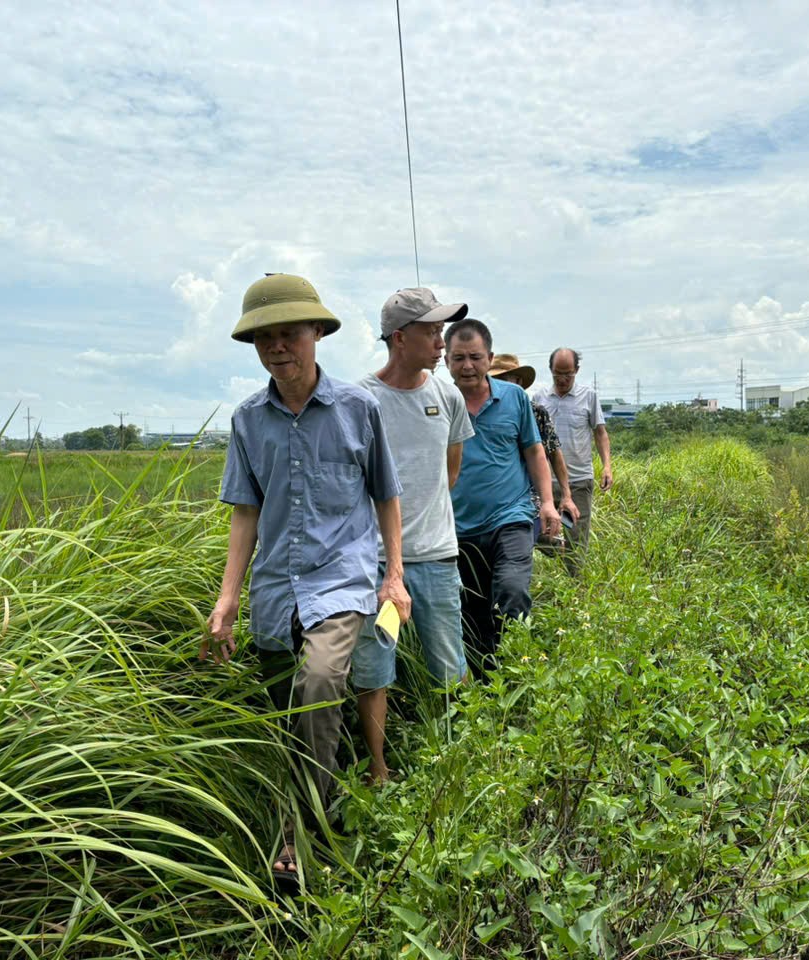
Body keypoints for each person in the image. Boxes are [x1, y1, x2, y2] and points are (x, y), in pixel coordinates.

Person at [202, 273, 411, 889]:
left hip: (343, 578)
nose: (277, 348)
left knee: (319, 681)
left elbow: (386, 495)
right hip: (275, 589)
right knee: (290, 710)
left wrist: (393, 576)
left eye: (289, 333)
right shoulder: (248, 421)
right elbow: (245, 511)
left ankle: (300, 833)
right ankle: (330, 776)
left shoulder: (357, 408)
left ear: (317, 333)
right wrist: (227, 598)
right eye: (264, 338)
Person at [351, 287, 473, 783]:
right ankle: (379, 770)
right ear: (400, 339)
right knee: (374, 668)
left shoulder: (446, 395)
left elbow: (451, 465)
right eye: (431, 331)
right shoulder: (361, 400)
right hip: (376, 565)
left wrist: (423, 514)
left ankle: (459, 754)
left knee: (450, 663)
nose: (441, 341)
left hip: (438, 557)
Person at [445, 319, 559, 677]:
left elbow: (535, 452)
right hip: (457, 526)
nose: (467, 366)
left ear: (489, 358)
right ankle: (485, 681)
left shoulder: (514, 399)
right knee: (472, 609)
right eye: (458, 357)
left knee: (510, 591)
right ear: (445, 360)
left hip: (510, 517)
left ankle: (518, 670)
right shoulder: (437, 402)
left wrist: (548, 501)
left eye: (475, 357)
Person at [531, 348, 613, 575]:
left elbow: (600, 433)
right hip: (546, 481)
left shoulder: (589, 396)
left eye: (568, 374)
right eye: (558, 374)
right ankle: (565, 554)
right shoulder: (539, 399)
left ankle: (575, 590)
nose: (563, 379)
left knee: (575, 534)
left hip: (578, 481)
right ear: (550, 371)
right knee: (536, 533)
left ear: (576, 371)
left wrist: (607, 466)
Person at [489, 353, 580, 547]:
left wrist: (566, 495)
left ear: (519, 382)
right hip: (494, 495)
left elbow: (554, 453)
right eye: (495, 380)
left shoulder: (536, 412)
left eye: (505, 380)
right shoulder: (481, 411)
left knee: (542, 542)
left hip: (528, 497)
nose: (499, 385)